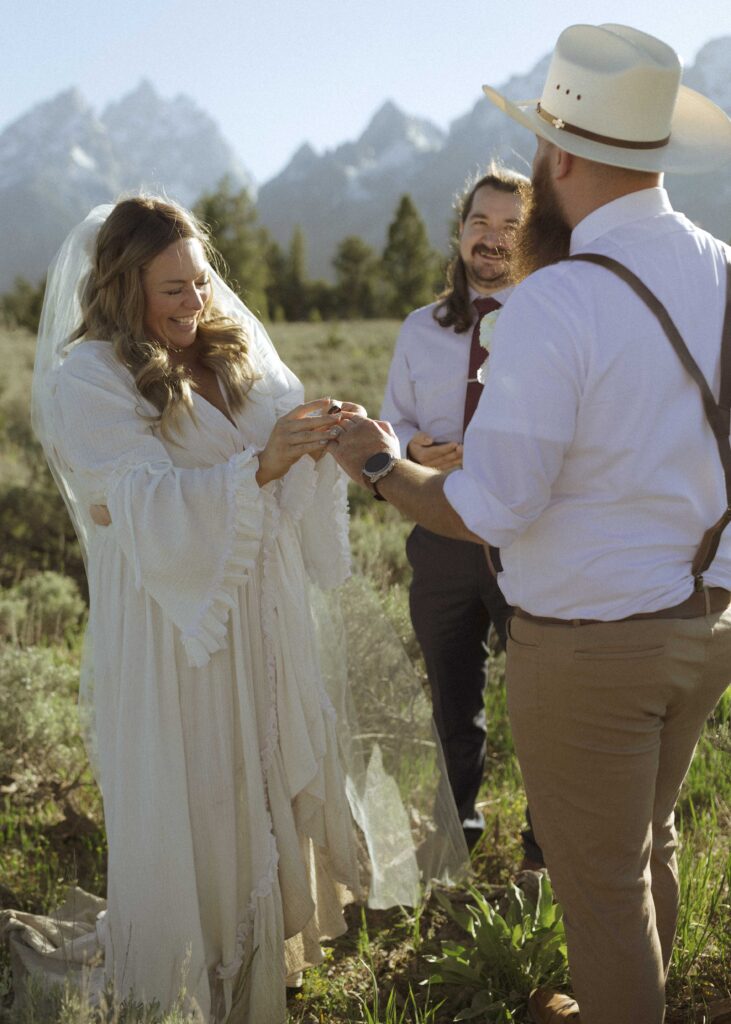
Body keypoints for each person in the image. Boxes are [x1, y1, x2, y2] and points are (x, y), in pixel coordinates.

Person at [329, 23, 731, 1024]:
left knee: (598, 890)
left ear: (557, 159)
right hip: (706, 620)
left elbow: (489, 507)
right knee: (648, 844)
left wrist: (377, 464)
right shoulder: (723, 268)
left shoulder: (554, 303)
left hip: (590, 646)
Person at [30, 196, 465, 1023]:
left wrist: (321, 439)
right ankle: (202, 977)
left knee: (261, 777)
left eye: (200, 281)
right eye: (171, 290)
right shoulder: (85, 378)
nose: (197, 303)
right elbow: (133, 506)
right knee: (201, 784)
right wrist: (259, 467)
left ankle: (266, 960)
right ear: (122, 287)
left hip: (259, 611)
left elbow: (275, 471)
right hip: (177, 625)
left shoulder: (228, 354)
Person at [380, 167, 543, 866]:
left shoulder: (550, 321)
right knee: (452, 699)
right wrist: (410, 443)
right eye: (481, 222)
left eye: (511, 225)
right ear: (460, 231)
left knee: (545, 704)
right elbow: (391, 420)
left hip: (529, 541)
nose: (494, 238)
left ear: (530, 235)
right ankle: (454, 838)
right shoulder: (421, 329)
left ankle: (547, 847)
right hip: (441, 535)